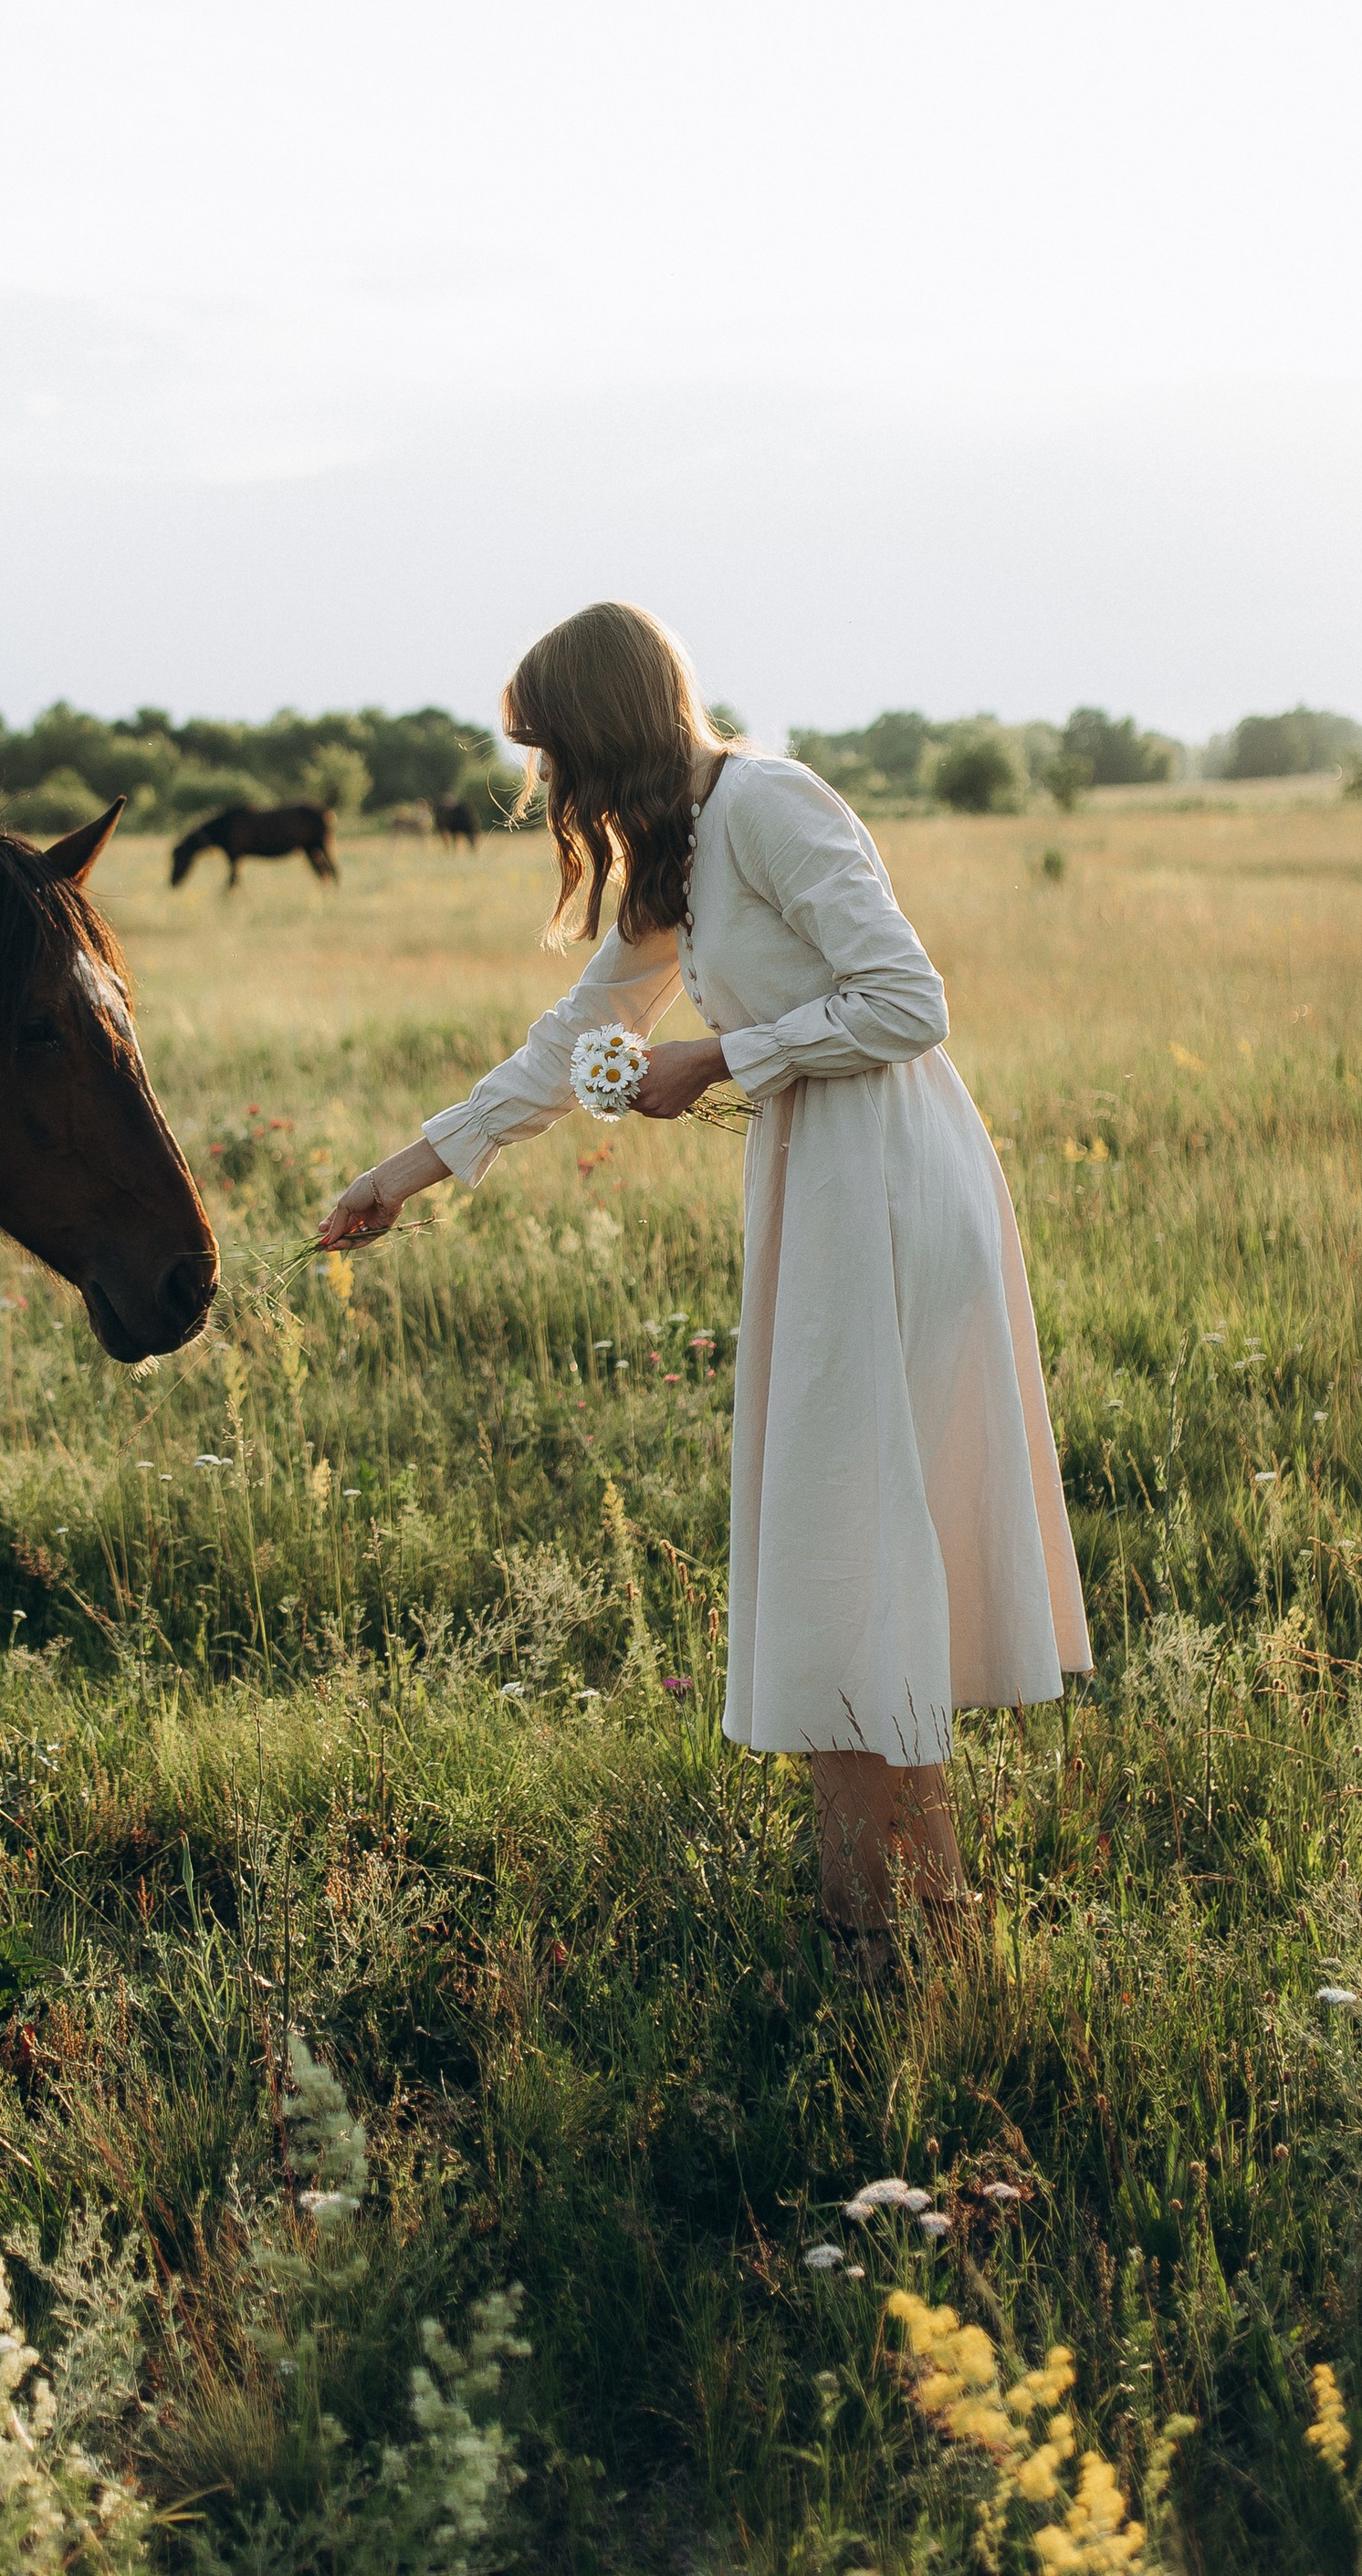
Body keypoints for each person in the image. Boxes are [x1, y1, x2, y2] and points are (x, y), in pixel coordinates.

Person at [319, 600, 1091, 1953]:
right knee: (836, 1541)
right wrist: (406, 1171)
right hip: (824, 1184)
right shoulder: (681, 851)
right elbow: (580, 1035)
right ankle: (886, 1911)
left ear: (607, 729)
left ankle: (915, 1923)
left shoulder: (771, 806)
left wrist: (720, 1059)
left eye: (552, 751)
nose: (547, 785)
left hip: (894, 1189)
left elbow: (910, 1000)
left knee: (852, 1537)